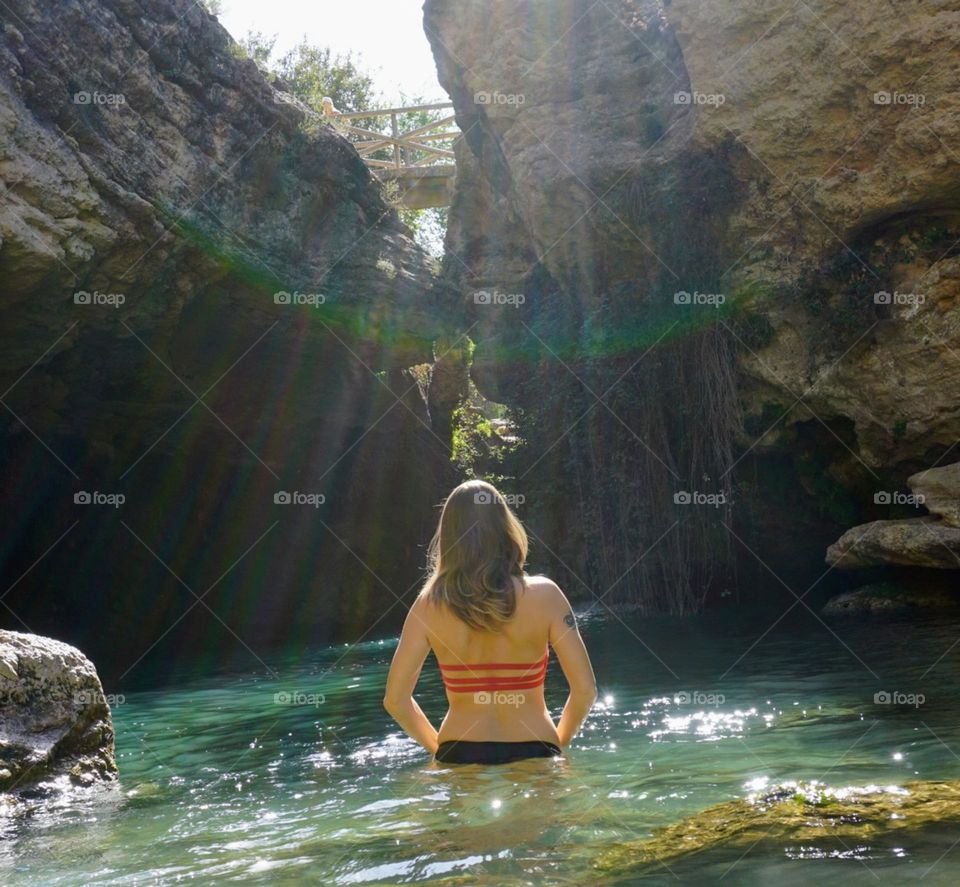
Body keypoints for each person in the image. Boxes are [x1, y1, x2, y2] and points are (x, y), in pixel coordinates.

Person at [383, 480, 597, 765]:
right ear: (505, 527)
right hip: (535, 746)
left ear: (448, 535)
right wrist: (555, 744)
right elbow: (585, 690)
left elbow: (395, 700)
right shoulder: (546, 595)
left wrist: (440, 751)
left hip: (458, 751)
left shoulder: (428, 604)